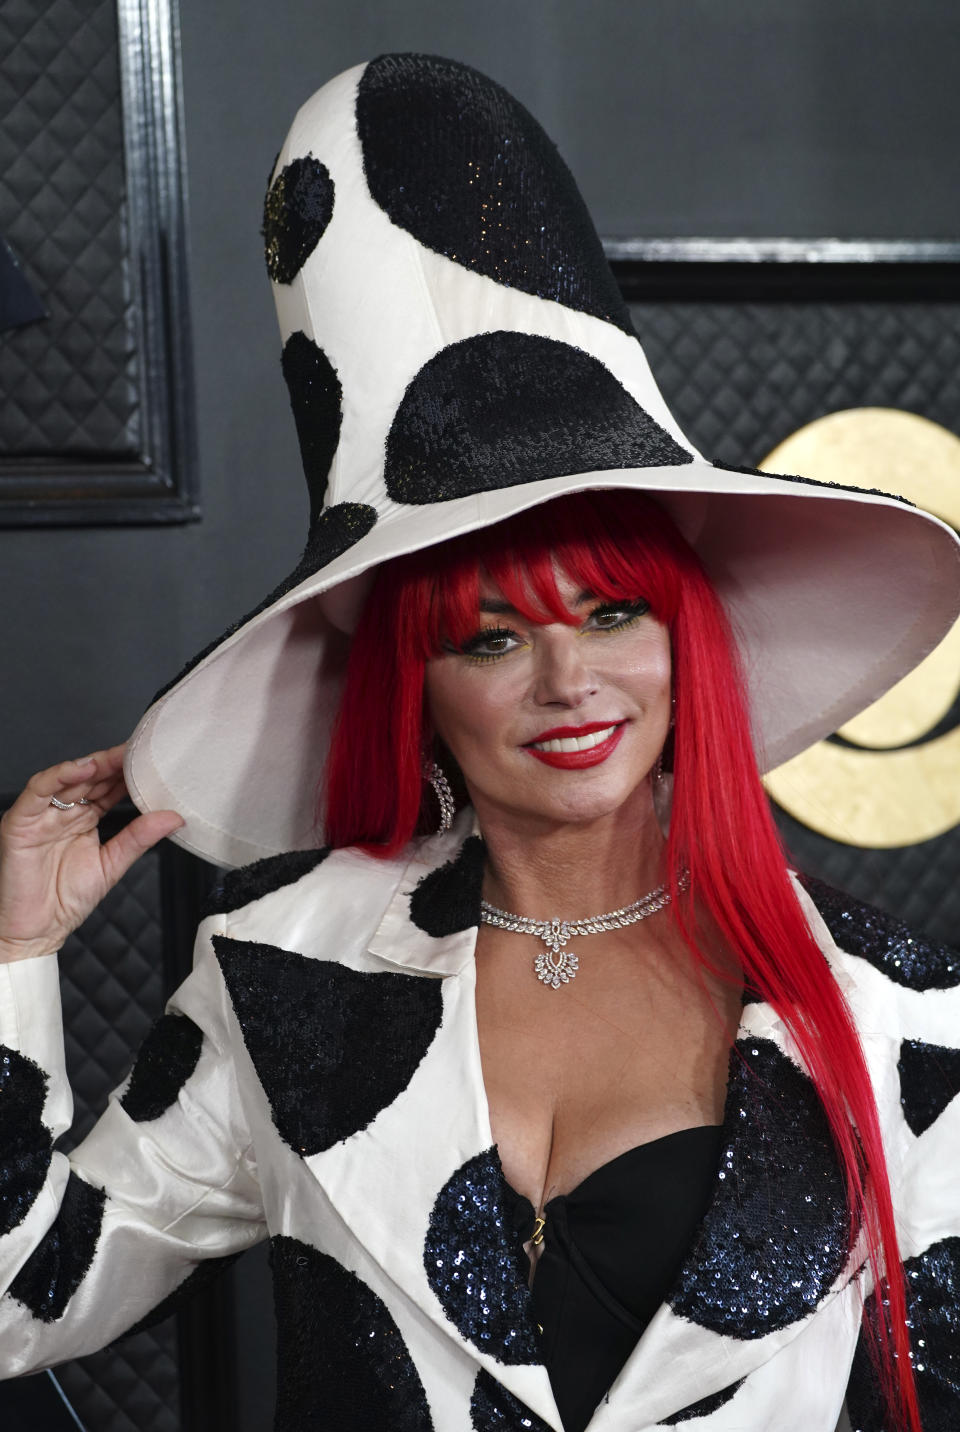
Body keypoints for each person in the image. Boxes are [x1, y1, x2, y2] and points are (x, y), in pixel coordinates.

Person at [2, 52, 959, 1432]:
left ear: (686, 638)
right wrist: (15, 956)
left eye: (614, 611)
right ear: (418, 684)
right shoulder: (284, 978)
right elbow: (20, 1299)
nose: (569, 680)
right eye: (489, 638)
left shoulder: (897, 1012)